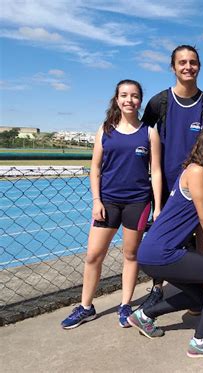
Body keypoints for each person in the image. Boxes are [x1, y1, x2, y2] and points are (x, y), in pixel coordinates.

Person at [127, 126, 203, 358]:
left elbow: (197, 222)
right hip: (162, 252)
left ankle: (144, 316)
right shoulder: (196, 171)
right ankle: (201, 341)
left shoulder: (199, 173)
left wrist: (202, 261)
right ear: (202, 146)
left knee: (198, 296)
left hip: (152, 252)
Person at [61, 79, 162, 329]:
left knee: (130, 254)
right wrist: (96, 200)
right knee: (94, 255)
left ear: (140, 100)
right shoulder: (105, 129)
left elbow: (156, 172)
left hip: (137, 203)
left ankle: (125, 305)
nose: (129, 100)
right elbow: (95, 168)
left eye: (135, 96)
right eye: (124, 95)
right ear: (117, 99)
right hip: (107, 202)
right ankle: (86, 306)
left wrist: (158, 207)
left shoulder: (149, 132)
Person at [140, 45, 203, 309]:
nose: (188, 67)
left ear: (199, 66)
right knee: (163, 237)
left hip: (197, 183)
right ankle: (157, 287)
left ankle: (199, 281)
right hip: (165, 185)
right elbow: (144, 139)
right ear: (173, 67)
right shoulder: (158, 103)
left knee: (199, 230)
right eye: (182, 62)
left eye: (193, 62)